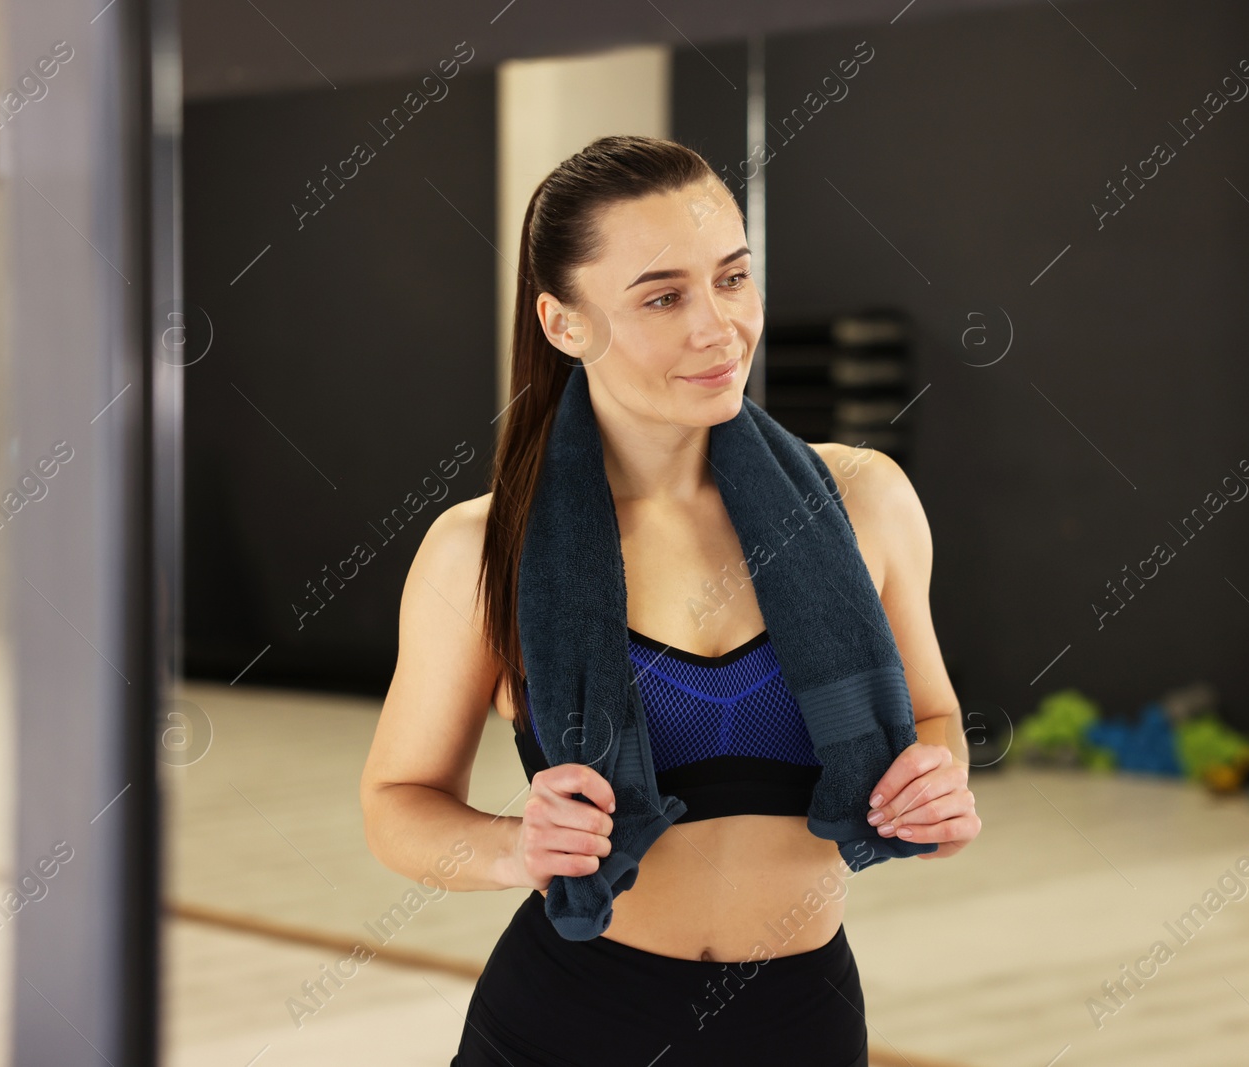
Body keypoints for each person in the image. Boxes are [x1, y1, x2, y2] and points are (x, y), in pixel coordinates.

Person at [359, 134, 981, 1066]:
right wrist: (511, 849)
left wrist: (933, 783)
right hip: (566, 1022)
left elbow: (932, 716)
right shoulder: (483, 548)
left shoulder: (867, 502)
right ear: (565, 323)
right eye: (663, 296)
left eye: (733, 278)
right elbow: (396, 801)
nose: (717, 327)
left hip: (799, 1022)